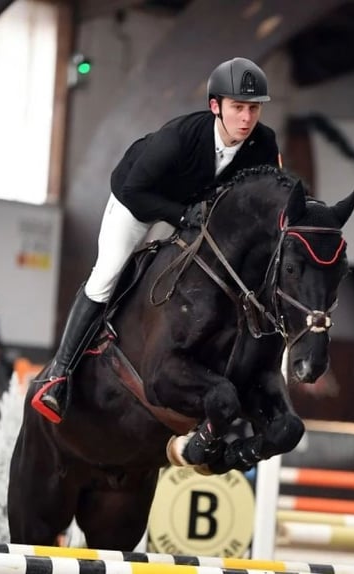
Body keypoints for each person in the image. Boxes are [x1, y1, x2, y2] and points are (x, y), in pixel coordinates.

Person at [33, 57, 281, 423]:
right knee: (107, 275)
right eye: (238, 108)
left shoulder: (263, 143)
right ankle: (59, 374)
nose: (246, 118)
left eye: (253, 109)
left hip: (195, 210)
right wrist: (181, 216)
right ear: (216, 106)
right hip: (139, 201)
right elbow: (135, 191)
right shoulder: (179, 138)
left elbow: (265, 197)